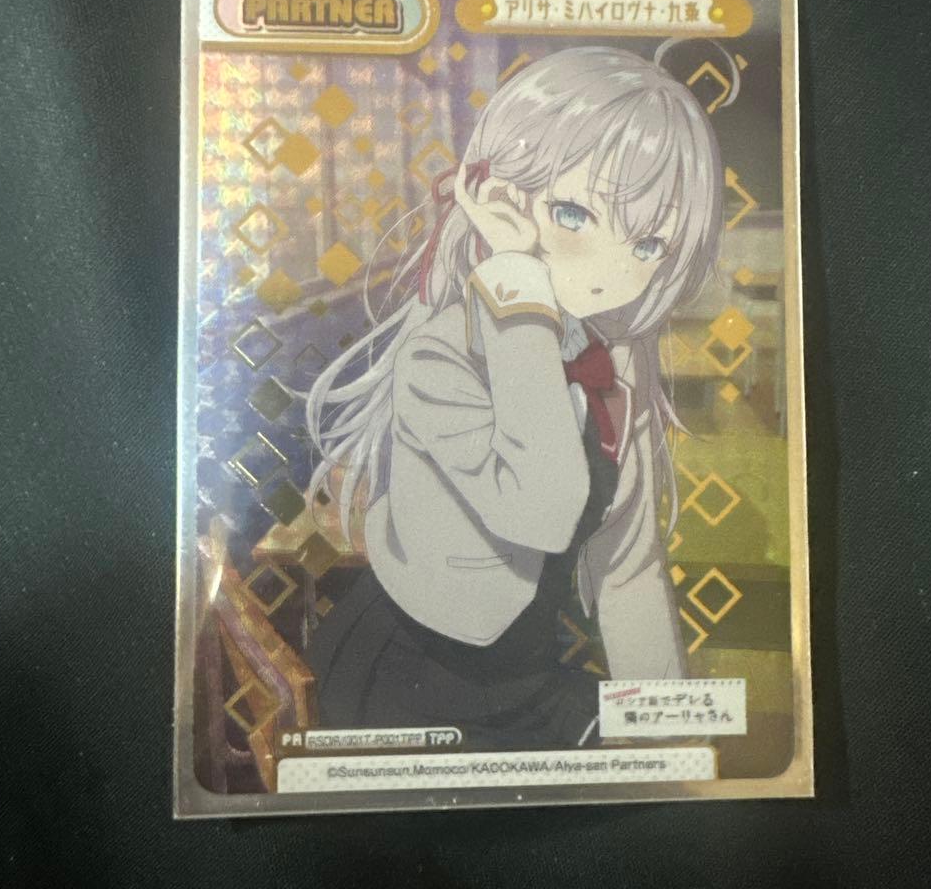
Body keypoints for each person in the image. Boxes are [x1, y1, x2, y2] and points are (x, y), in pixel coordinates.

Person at [304, 45, 724, 749]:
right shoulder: (441, 352)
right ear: (496, 198)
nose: (611, 268)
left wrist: (672, 737)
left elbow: (628, 569)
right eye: (573, 213)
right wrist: (519, 283)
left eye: (650, 245)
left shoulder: (615, 361)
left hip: (527, 679)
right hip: (411, 678)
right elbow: (543, 508)